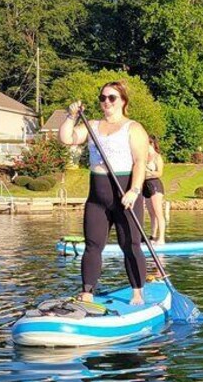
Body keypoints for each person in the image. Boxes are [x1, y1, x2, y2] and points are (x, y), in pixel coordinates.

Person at [59, 81, 149, 306]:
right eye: (103, 98)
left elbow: (140, 162)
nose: (106, 102)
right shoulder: (92, 126)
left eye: (112, 98)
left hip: (125, 195)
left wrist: (134, 190)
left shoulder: (133, 128)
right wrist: (71, 116)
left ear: (123, 101)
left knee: (130, 245)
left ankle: (138, 292)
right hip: (97, 198)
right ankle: (87, 292)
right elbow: (66, 139)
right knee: (92, 245)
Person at [143, 135, 166, 245]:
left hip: (154, 184)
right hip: (145, 184)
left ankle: (161, 238)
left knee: (158, 212)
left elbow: (159, 173)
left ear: (151, 144)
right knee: (151, 213)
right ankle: (153, 237)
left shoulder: (157, 157)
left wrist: (148, 171)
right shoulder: (144, 156)